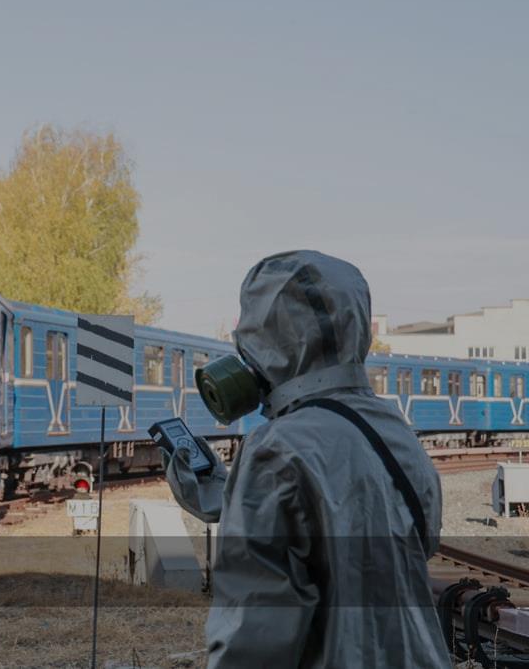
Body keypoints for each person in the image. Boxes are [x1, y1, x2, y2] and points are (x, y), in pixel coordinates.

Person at [166, 250, 451, 668]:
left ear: (264, 341)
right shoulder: (395, 430)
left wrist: (244, 502)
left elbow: (254, 634)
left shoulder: (275, 448)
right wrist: (226, 497)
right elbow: (377, 539)